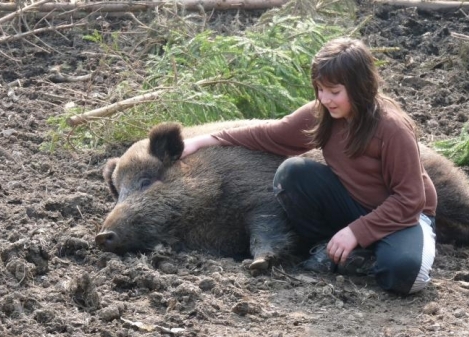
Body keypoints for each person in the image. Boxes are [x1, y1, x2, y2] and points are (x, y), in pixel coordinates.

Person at [180, 37, 437, 295]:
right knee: (292, 174)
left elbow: (411, 199)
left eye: (334, 91)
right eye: (320, 90)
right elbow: (271, 134)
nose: (325, 99)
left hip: (404, 217)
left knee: (405, 275)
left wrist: (357, 231)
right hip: (353, 203)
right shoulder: (324, 112)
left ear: (360, 87)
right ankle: (331, 247)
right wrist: (203, 140)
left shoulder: (392, 128)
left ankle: (363, 253)